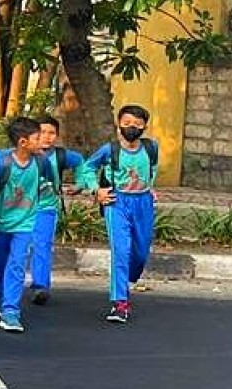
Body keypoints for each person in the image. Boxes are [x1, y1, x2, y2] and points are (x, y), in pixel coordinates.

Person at [79, 104, 159, 325]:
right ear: (119, 126)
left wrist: (150, 186)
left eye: (137, 125)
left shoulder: (151, 147)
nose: (131, 128)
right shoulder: (109, 150)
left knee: (140, 251)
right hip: (117, 202)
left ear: (144, 127)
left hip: (143, 202)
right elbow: (87, 168)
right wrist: (97, 189)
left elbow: (153, 168)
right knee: (121, 251)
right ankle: (120, 302)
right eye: (127, 124)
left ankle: (128, 277)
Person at [0, 117, 54, 334]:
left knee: (17, 265)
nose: (42, 141)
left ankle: (11, 310)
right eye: (37, 137)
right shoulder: (0, 162)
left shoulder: (42, 162)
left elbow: (49, 182)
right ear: (23, 142)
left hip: (25, 223)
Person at [30, 115, 84, 305]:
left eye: (52, 133)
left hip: (47, 208)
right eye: (42, 132)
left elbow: (80, 162)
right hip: (19, 210)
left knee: (42, 245)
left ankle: (40, 285)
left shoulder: (61, 156)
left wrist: (81, 183)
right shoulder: (23, 152)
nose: (47, 137)